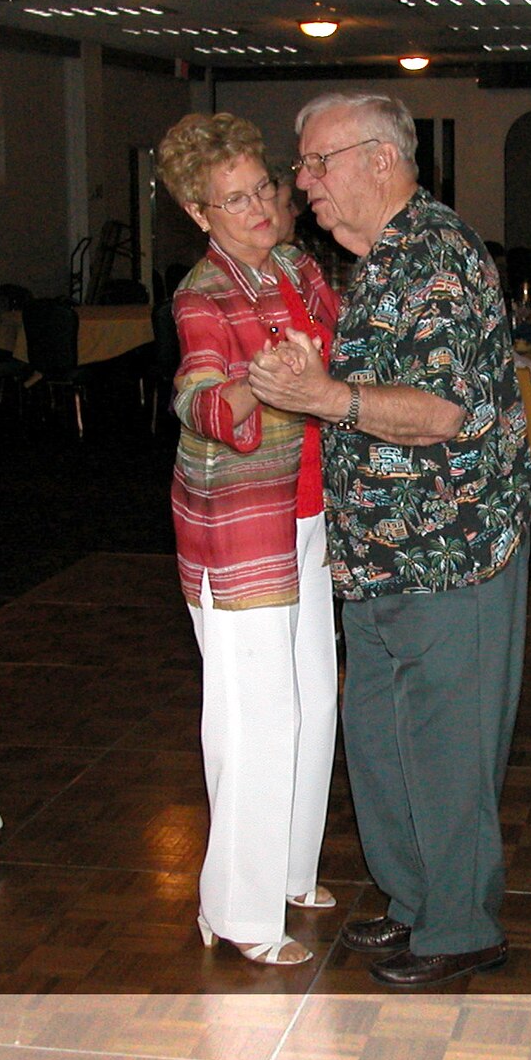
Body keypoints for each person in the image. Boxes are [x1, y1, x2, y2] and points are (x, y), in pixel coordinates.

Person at [246, 91, 531, 989]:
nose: (304, 183)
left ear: (381, 160)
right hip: (379, 556)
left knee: (446, 748)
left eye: (317, 164)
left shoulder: (437, 256)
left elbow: (443, 412)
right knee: (384, 739)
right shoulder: (379, 261)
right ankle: (414, 904)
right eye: (302, 166)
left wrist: (323, 395)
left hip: (452, 553)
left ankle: (458, 926)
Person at [157, 113, 341, 967]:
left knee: (312, 701)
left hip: (305, 510)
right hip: (239, 528)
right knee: (253, 718)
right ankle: (238, 913)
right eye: (233, 200)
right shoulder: (204, 291)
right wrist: (250, 386)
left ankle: (291, 871)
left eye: (261, 188)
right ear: (200, 212)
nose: (259, 208)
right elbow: (197, 398)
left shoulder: (299, 267)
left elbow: (343, 360)